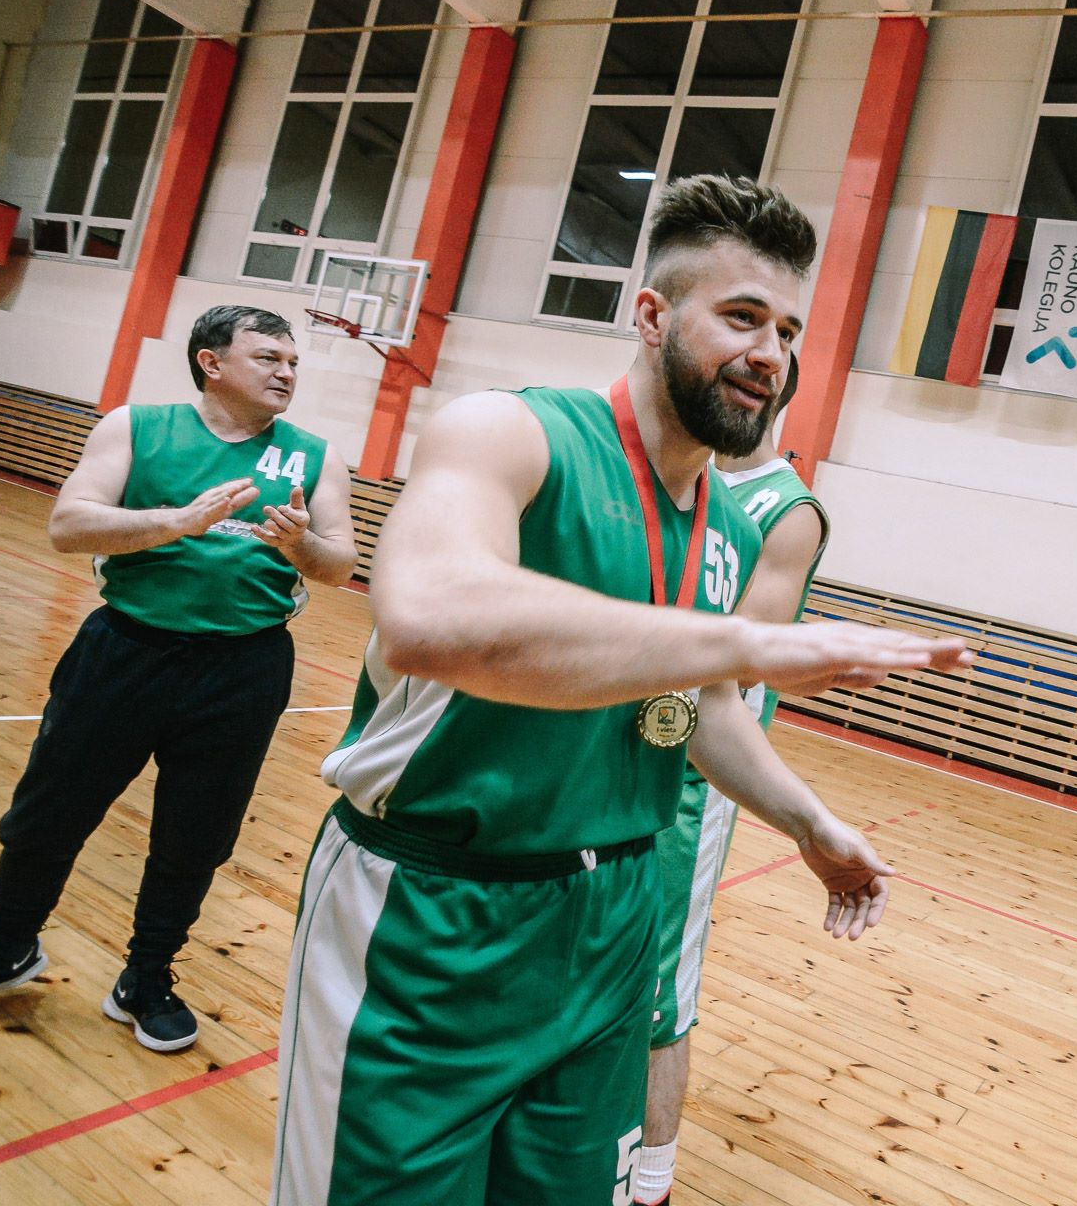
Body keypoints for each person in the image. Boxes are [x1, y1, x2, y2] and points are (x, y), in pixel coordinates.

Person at [271, 174, 969, 1206]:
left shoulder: (731, 528)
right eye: (742, 317)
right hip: (431, 909)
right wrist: (748, 641)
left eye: (787, 331)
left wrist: (807, 820)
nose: (771, 353)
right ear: (651, 315)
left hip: (612, 917)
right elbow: (427, 615)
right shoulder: (509, 432)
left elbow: (703, 705)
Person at [0, 305, 358, 1053]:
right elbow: (68, 525)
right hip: (124, 651)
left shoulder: (315, 455)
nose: (286, 372)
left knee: (195, 836)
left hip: (244, 668)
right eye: (268, 358)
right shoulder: (135, 426)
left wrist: (302, 546)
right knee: (49, 815)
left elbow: (340, 566)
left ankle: (146, 976)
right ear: (212, 363)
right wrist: (173, 523)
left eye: (292, 362)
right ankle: (7, 946)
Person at [634, 354, 829, 1206]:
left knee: (661, 986)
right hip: (609, 749)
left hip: (694, 774)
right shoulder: (681, 483)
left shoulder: (788, 510)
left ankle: (651, 1179)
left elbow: (735, 662)